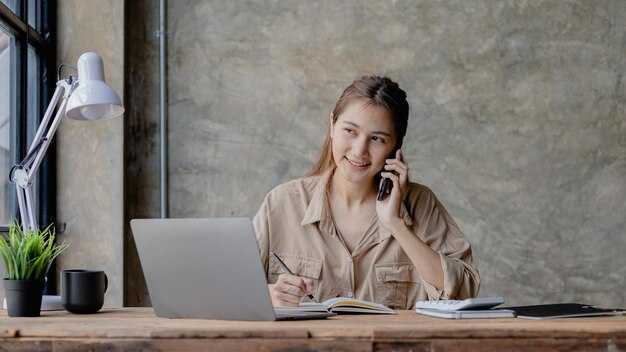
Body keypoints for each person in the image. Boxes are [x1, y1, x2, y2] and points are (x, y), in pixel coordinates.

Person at [253, 76, 479, 309]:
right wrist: (267, 295)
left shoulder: (421, 203)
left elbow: (463, 292)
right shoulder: (282, 202)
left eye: (377, 139)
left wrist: (396, 224)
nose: (359, 150)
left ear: (396, 146)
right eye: (350, 131)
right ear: (332, 125)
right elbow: (225, 289)